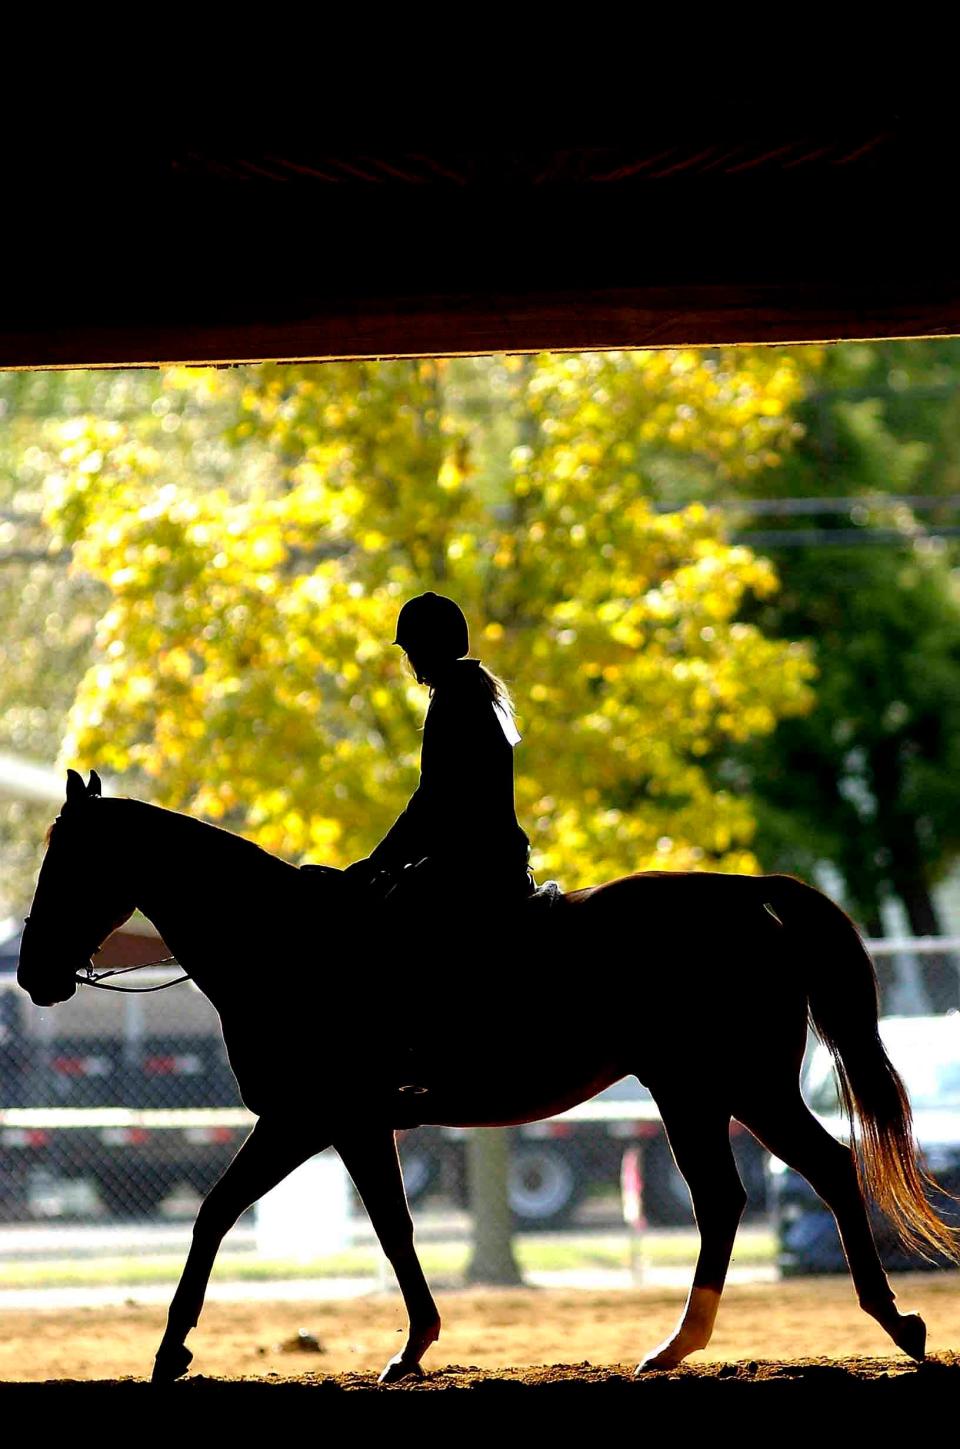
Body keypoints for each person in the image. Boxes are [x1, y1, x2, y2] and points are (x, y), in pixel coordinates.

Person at [345, 593, 533, 919]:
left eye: (412, 651)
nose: (412, 662)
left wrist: (377, 862)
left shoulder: (454, 698)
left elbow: (433, 798)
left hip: (471, 862)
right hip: (503, 856)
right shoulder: (482, 691)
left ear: (427, 648)